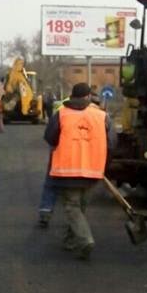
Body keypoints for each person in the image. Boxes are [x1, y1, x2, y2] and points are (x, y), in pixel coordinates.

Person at [44, 82, 115, 259]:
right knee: (80, 206)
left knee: (72, 206)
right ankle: (70, 240)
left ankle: (84, 239)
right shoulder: (102, 116)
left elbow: (50, 137)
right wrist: (104, 164)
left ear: (72, 96)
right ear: (88, 97)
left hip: (68, 170)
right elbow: (112, 143)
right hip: (92, 171)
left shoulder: (61, 114)